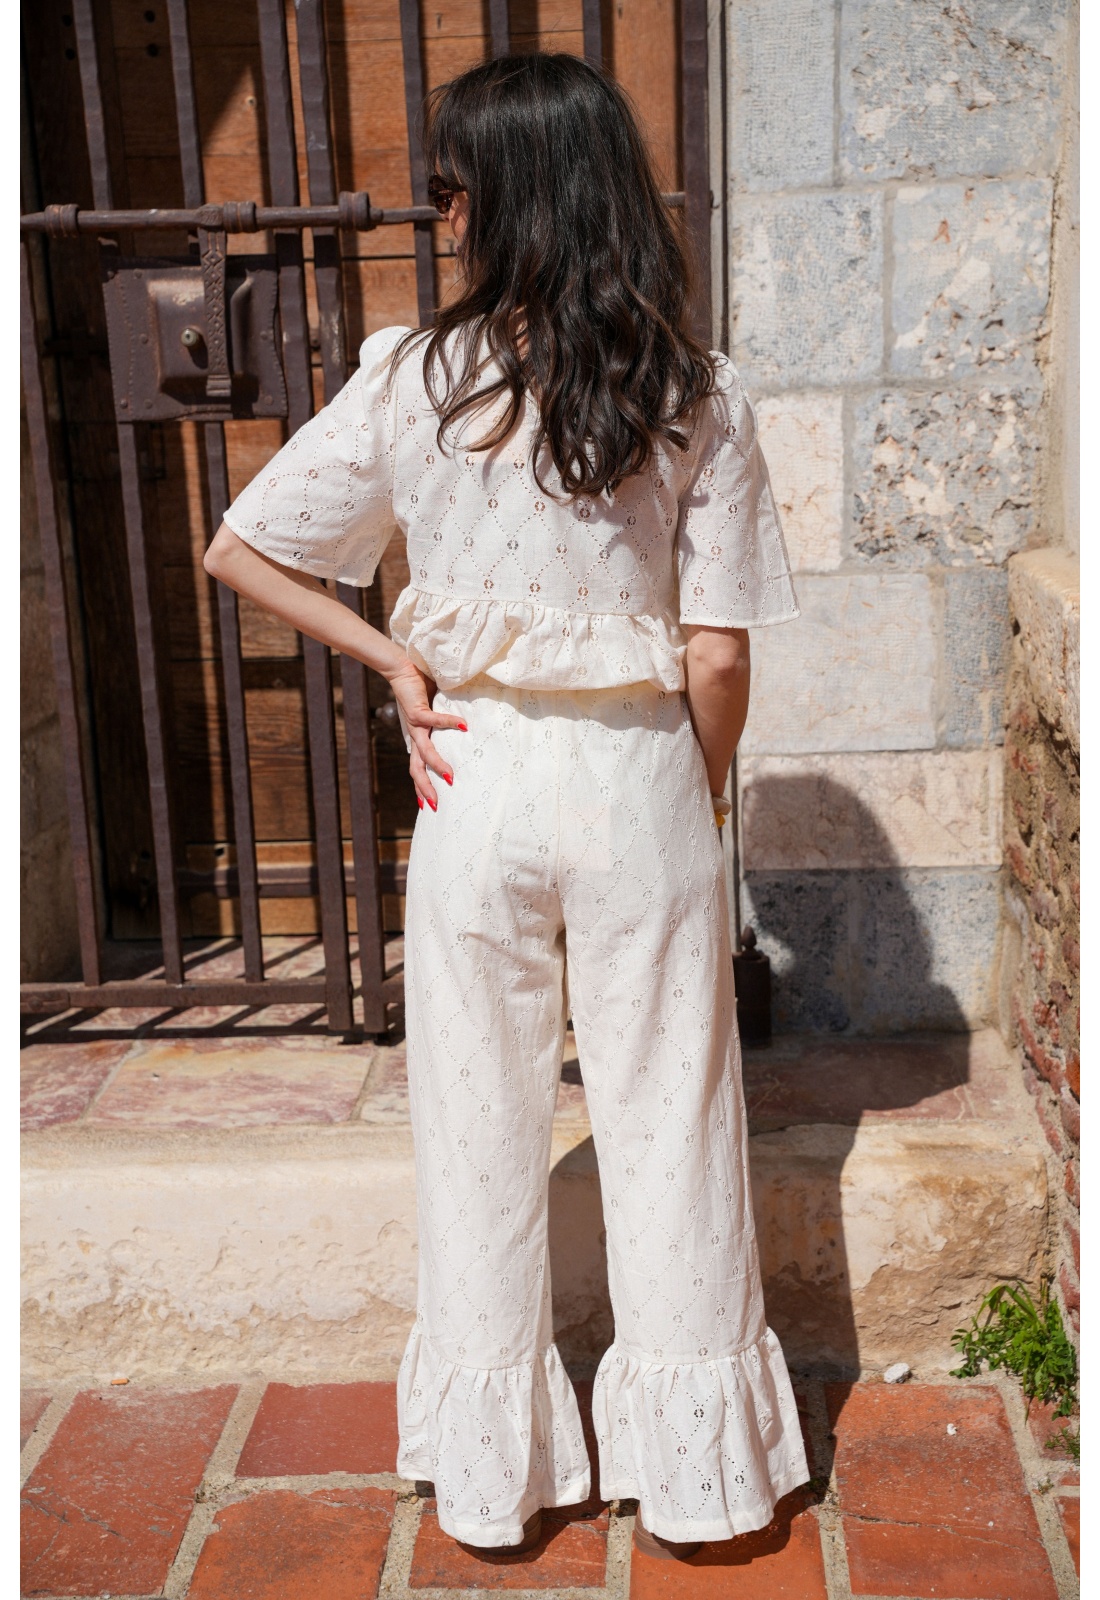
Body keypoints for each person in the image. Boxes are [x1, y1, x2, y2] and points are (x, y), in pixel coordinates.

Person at [205, 51, 808, 1561]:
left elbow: (240, 546)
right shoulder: (695, 389)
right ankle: (700, 1484)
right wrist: (698, 787)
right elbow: (718, 653)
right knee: (672, 1120)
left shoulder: (415, 376)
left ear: (512, 195)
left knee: (474, 1126)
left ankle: (493, 1480)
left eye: (455, 185)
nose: (444, 212)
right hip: (639, 778)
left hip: (474, 782)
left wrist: (398, 662)